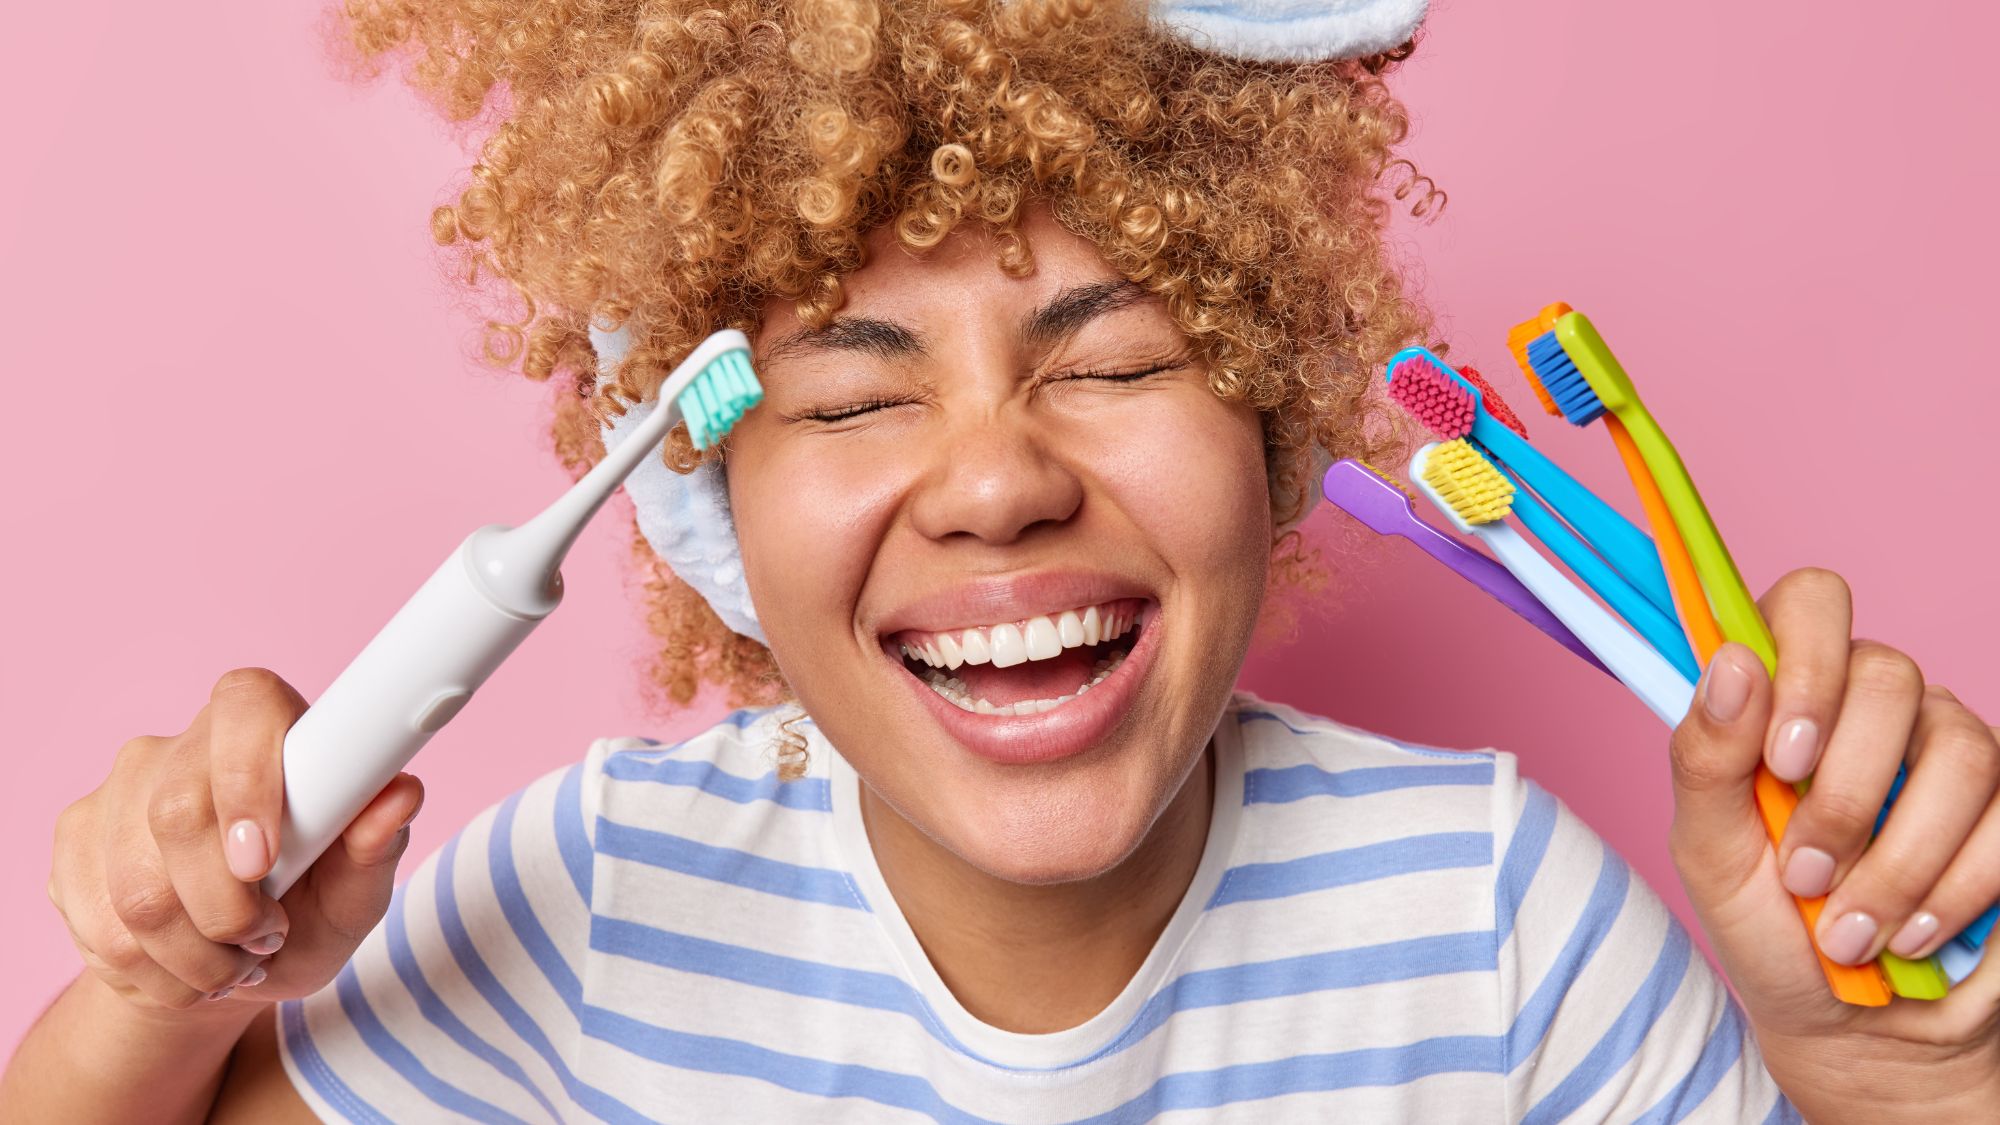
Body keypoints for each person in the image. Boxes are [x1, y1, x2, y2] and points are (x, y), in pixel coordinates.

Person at [7, 1, 1998, 1121]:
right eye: (859, 396)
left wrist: (1888, 1068)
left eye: (1115, 355)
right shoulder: (600, 906)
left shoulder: (1490, 922)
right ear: (709, 496)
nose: (994, 483)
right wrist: (170, 987)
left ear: (1272, 414)